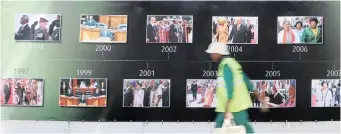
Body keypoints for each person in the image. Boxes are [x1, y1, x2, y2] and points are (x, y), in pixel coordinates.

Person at [205, 42, 266, 134]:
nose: (211, 56)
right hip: (233, 104)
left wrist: (227, 108)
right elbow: (245, 79)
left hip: (233, 105)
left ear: (219, 53)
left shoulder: (225, 66)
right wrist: (256, 94)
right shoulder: (233, 63)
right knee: (222, 126)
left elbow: (230, 87)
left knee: (242, 126)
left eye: (213, 53)